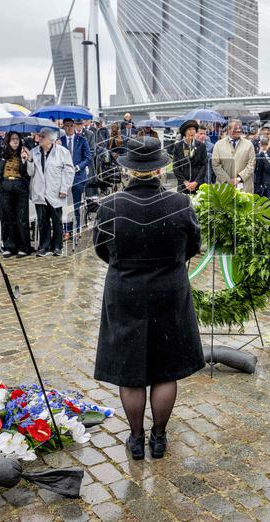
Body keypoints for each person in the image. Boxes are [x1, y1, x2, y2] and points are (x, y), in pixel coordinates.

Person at [93, 137, 205, 460]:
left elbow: (102, 249)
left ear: (128, 168)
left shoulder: (110, 206)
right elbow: (192, 245)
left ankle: (136, 438)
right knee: (164, 369)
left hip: (125, 292)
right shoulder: (180, 204)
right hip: (168, 291)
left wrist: (126, 266)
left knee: (131, 372)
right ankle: (159, 437)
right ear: (159, 168)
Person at [27, 127, 75, 256]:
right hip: (39, 191)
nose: (39, 138)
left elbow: (69, 172)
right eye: (39, 136)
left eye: (42, 136)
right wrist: (29, 161)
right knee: (42, 221)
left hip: (56, 191)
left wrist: (64, 188)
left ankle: (58, 246)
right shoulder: (34, 152)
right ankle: (44, 246)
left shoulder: (62, 152)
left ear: (51, 139)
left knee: (57, 220)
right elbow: (30, 172)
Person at [0, 131, 33, 257]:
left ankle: (24, 246)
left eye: (17, 139)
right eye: (12, 139)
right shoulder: (1, 151)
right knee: (6, 217)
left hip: (20, 185)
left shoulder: (25, 151)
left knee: (21, 218)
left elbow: (27, 172)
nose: (15, 141)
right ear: (8, 140)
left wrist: (24, 159)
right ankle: (9, 246)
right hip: (4, 185)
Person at [58, 118, 93, 233]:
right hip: (63, 178)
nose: (69, 128)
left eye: (71, 125)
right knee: (64, 203)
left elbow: (88, 157)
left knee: (76, 203)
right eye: (66, 126)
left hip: (78, 176)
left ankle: (77, 228)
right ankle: (66, 228)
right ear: (63, 127)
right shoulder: (60, 141)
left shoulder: (82, 140)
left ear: (74, 126)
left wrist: (77, 167)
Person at [211, 119, 256, 189]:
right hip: (224, 187)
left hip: (244, 187)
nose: (238, 130)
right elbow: (215, 165)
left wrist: (239, 179)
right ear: (228, 130)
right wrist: (227, 180)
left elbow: (251, 164)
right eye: (235, 129)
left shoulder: (249, 145)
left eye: (240, 128)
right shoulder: (218, 145)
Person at [171, 120, 208, 194]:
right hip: (183, 186)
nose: (192, 132)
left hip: (198, 185)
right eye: (189, 129)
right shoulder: (178, 146)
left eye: (194, 129)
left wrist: (196, 182)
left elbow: (204, 165)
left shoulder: (201, 146)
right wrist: (185, 182)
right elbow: (175, 166)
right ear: (184, 132)